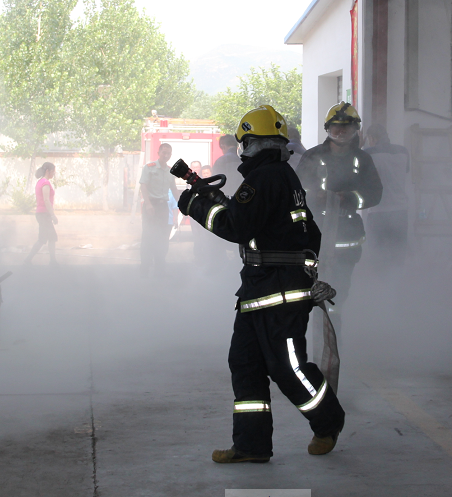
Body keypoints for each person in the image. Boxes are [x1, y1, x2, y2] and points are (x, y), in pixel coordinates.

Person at [179, 105, 345, 464]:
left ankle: (328, 422)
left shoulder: (266, 177)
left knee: (288, 369)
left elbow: (237, 227)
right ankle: (251, 445)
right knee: (245, 363)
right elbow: (281, 227)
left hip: (278, 293)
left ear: (249, 142)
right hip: (261, 290)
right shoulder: (279, 175)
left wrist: (195, 206)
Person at [296, 102, 382, 325]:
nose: (341, 131)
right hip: (314, 239)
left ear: (355, 129)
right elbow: (295, 192)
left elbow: (374, 194)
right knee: (308, 291)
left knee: (338, 293)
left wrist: (349, 198)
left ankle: (333, 334)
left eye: (346, 126)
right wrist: (315, 197)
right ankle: (314, 333)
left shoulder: (363, 160)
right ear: (328, 128)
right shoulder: (312, 157)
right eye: (336, 126)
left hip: (347, 241)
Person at [362, 123, 410, 265]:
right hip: (400, 211)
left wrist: (357, 147)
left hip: (378, 211)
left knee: (377, 255)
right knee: (398, 254)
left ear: (372, 137)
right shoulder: (403, 152)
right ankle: (398, 278)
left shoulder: (369, 153)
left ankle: (381, 278)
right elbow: (406, 171)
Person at [139, 143, 180, 276]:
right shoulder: (149, 167)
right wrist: (148, 204)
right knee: (148, 237)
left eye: (168, 153)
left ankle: (160, 269)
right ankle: (144, 269)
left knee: (162, 238)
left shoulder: (170, 171)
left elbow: (174, 189)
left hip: (163, 207)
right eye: (164, 153)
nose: (166, 155)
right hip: (151, 206)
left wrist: (183, 205)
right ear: (158, 153)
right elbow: (143, 186)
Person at [26, 162, 58, 265]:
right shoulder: (45, 183)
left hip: (42, 214)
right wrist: (52, 215)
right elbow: (46, 200)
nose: (54, 173)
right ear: (48, 171)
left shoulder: (40, 182)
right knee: (46, 239)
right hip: (44, 215)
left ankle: (52, 261)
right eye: (53, 171)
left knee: (48, 238)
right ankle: (28, 260)